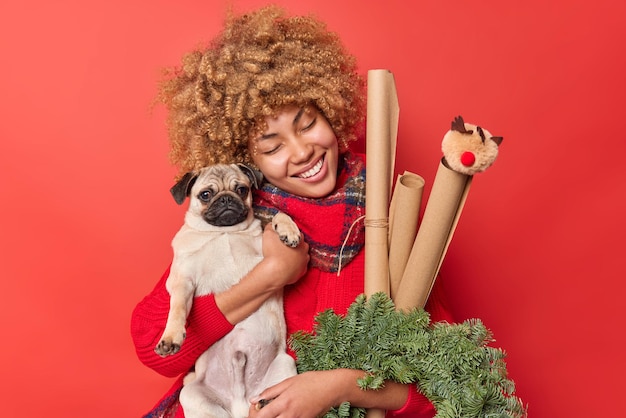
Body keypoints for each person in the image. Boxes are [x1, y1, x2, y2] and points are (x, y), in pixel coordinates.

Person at [131, 5, 454, 418]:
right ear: (245, 161)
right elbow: (153, 349)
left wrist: (339, 387)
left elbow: (448, 383)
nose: (302, 152)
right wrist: (270, 276)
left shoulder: (392, 219)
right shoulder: (240, 225)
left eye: (307, 123)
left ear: (331, 110)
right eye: (272, 147)